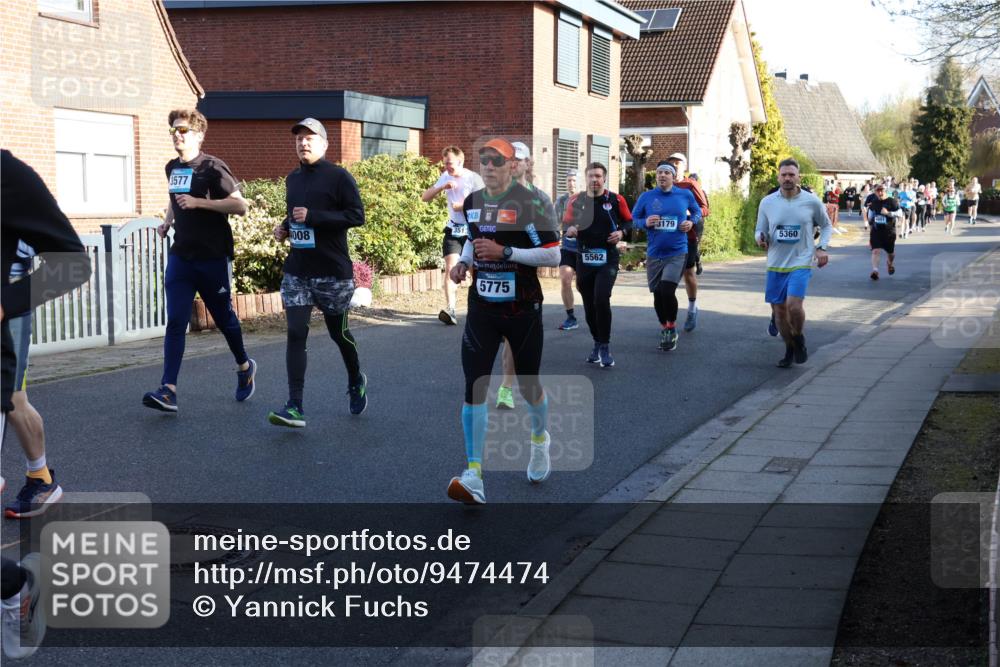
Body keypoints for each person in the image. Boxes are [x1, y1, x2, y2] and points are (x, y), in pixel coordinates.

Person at [2, 149, 93, 659]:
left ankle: (15, 585)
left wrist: (5, 303)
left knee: (15, 396)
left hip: (3, 328)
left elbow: (71, 263)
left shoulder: (8, 175)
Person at [446, 138, 560, 504]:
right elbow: (472, 239)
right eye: (485, 161)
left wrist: (506, 251)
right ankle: (474, 473)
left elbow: (554, 255)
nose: (490, 166)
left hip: (523, 309)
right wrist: (464, 262)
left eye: (498, 161)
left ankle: (540, 440)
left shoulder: (532, 204)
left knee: (528, 386)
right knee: (475, 383)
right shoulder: (475, 202)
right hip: (482, 308)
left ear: (514, 166)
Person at [142, 109, 256, 413]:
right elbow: (174, 196)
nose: (177, 135)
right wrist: (167, 221)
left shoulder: (213, 168)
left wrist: (199, 203)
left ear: (198, 135)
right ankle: (168, 390)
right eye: (174, 131)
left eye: (183, 130)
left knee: (223, 319)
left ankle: (245, 366)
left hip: (212, 257)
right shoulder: (171, 168)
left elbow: (240, 205)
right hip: (181, 257)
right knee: (176, 321)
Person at [268, 118, 368, 428]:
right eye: (299, 138)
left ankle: (356, 379)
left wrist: (316, 217)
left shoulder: (339, 177)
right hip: (298, 270)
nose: (303, 142)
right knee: (296, 332)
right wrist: (284, 228)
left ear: (324, 144)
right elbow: (294, 215)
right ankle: (294, 405)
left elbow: (356, 216)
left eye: (310, 138)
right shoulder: (292, 179)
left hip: (331, 272)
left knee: (339, 333)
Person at [494, 142, 557, 411]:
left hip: (524, 278)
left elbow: (550, 248)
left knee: (519, 343)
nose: (514, 163)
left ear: (528, 164)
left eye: (519, 159)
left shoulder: (540, 199)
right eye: (510, 159)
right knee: (507, 339)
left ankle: (515, 388)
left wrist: (515, 252)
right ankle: (507, 387)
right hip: (496, 277)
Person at [3, 242, 62, 519]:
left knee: (13, 399)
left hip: (9, 298)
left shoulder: (21, 199)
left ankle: (41, 477)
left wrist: (16, 297)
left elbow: (70, 260)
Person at [755, 158, 831, 368]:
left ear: (799, 177)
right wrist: (760, 238)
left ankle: (798, 337)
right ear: (778, 177)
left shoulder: (811, 201)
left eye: (791, 174)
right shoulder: (767, 202)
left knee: (793, 307)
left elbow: (826, 225)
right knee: (779, 312)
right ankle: (790, 347)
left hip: (801, 260)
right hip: (776, 262)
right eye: (784, 175)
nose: (787, 178)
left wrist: (822, 247)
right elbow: (759, 229)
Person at [563, 162, 632, 367]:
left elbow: (629, 222)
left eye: (598, 176)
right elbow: (566, 223)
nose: (595, 180)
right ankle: (597, 340)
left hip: (608, 257)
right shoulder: (576, 200)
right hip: (584, 256)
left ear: (604, 178)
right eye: (591, 176)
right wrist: (571, 229)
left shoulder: (615, 200)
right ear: (586, 179)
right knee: (588, 303)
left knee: (601, 298)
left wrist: (621, 233)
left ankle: (605, 346)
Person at [631, 161, 702, 352]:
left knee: (666, 290)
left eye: (666, 173)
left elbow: (697, 211)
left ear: (673, 176)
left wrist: (690, 222)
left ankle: (671, 327)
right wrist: (645, 222)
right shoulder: (647, 197)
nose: (662, 175)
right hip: (655, 253)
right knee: (657, 294)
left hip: (677, 251)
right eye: (659, 172)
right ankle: (664, 327)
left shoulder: (685, 194)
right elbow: (633, 219)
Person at [422, 146, 485, 326]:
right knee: (451, 267)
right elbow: (424, 197)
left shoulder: (473, 178)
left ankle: (479, 308)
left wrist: (464, 206)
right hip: (453, 229)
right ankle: (451, 310)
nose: (447, 166)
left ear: (460, 161)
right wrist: (442, 187)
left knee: (475, 270)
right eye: (445, 163)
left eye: (449, 163)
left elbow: (485, 201)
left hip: (472, 229)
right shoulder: (445, 176)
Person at [665, 153, 710, 326]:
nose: (675, 166)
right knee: (667, 278)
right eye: (672, 163)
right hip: (666, 236)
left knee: (688, 273)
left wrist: (691, 215)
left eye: (678, 163)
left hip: (687, 235)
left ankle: (692, 308)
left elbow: (705, 208)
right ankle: (669, 317)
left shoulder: (690, 184)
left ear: (684, 166)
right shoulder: (662, 185)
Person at [553, 170, 581, 331]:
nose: (571, 183)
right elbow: (554, 222)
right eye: (569, 180)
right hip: (567, 247)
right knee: (565, 279)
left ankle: (595, 311)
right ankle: (571, 317)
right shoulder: (561, 200)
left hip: (585, 249)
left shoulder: (586, 199)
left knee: (583, 285)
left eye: (574, 180)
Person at [866, 184, 902, 280]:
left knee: (890, 253)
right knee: (875, 251)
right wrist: (870, 222)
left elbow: (900, 213)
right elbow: (870, 216)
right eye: (878, 191)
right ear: (875, 192)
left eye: (882, 190)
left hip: (889, 231)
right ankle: (875, 271)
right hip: (877, 231)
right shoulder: (874, 203)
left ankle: (890, 263)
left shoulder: (892, 201)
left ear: (885, 191)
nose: (880, 193)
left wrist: (888, 213)